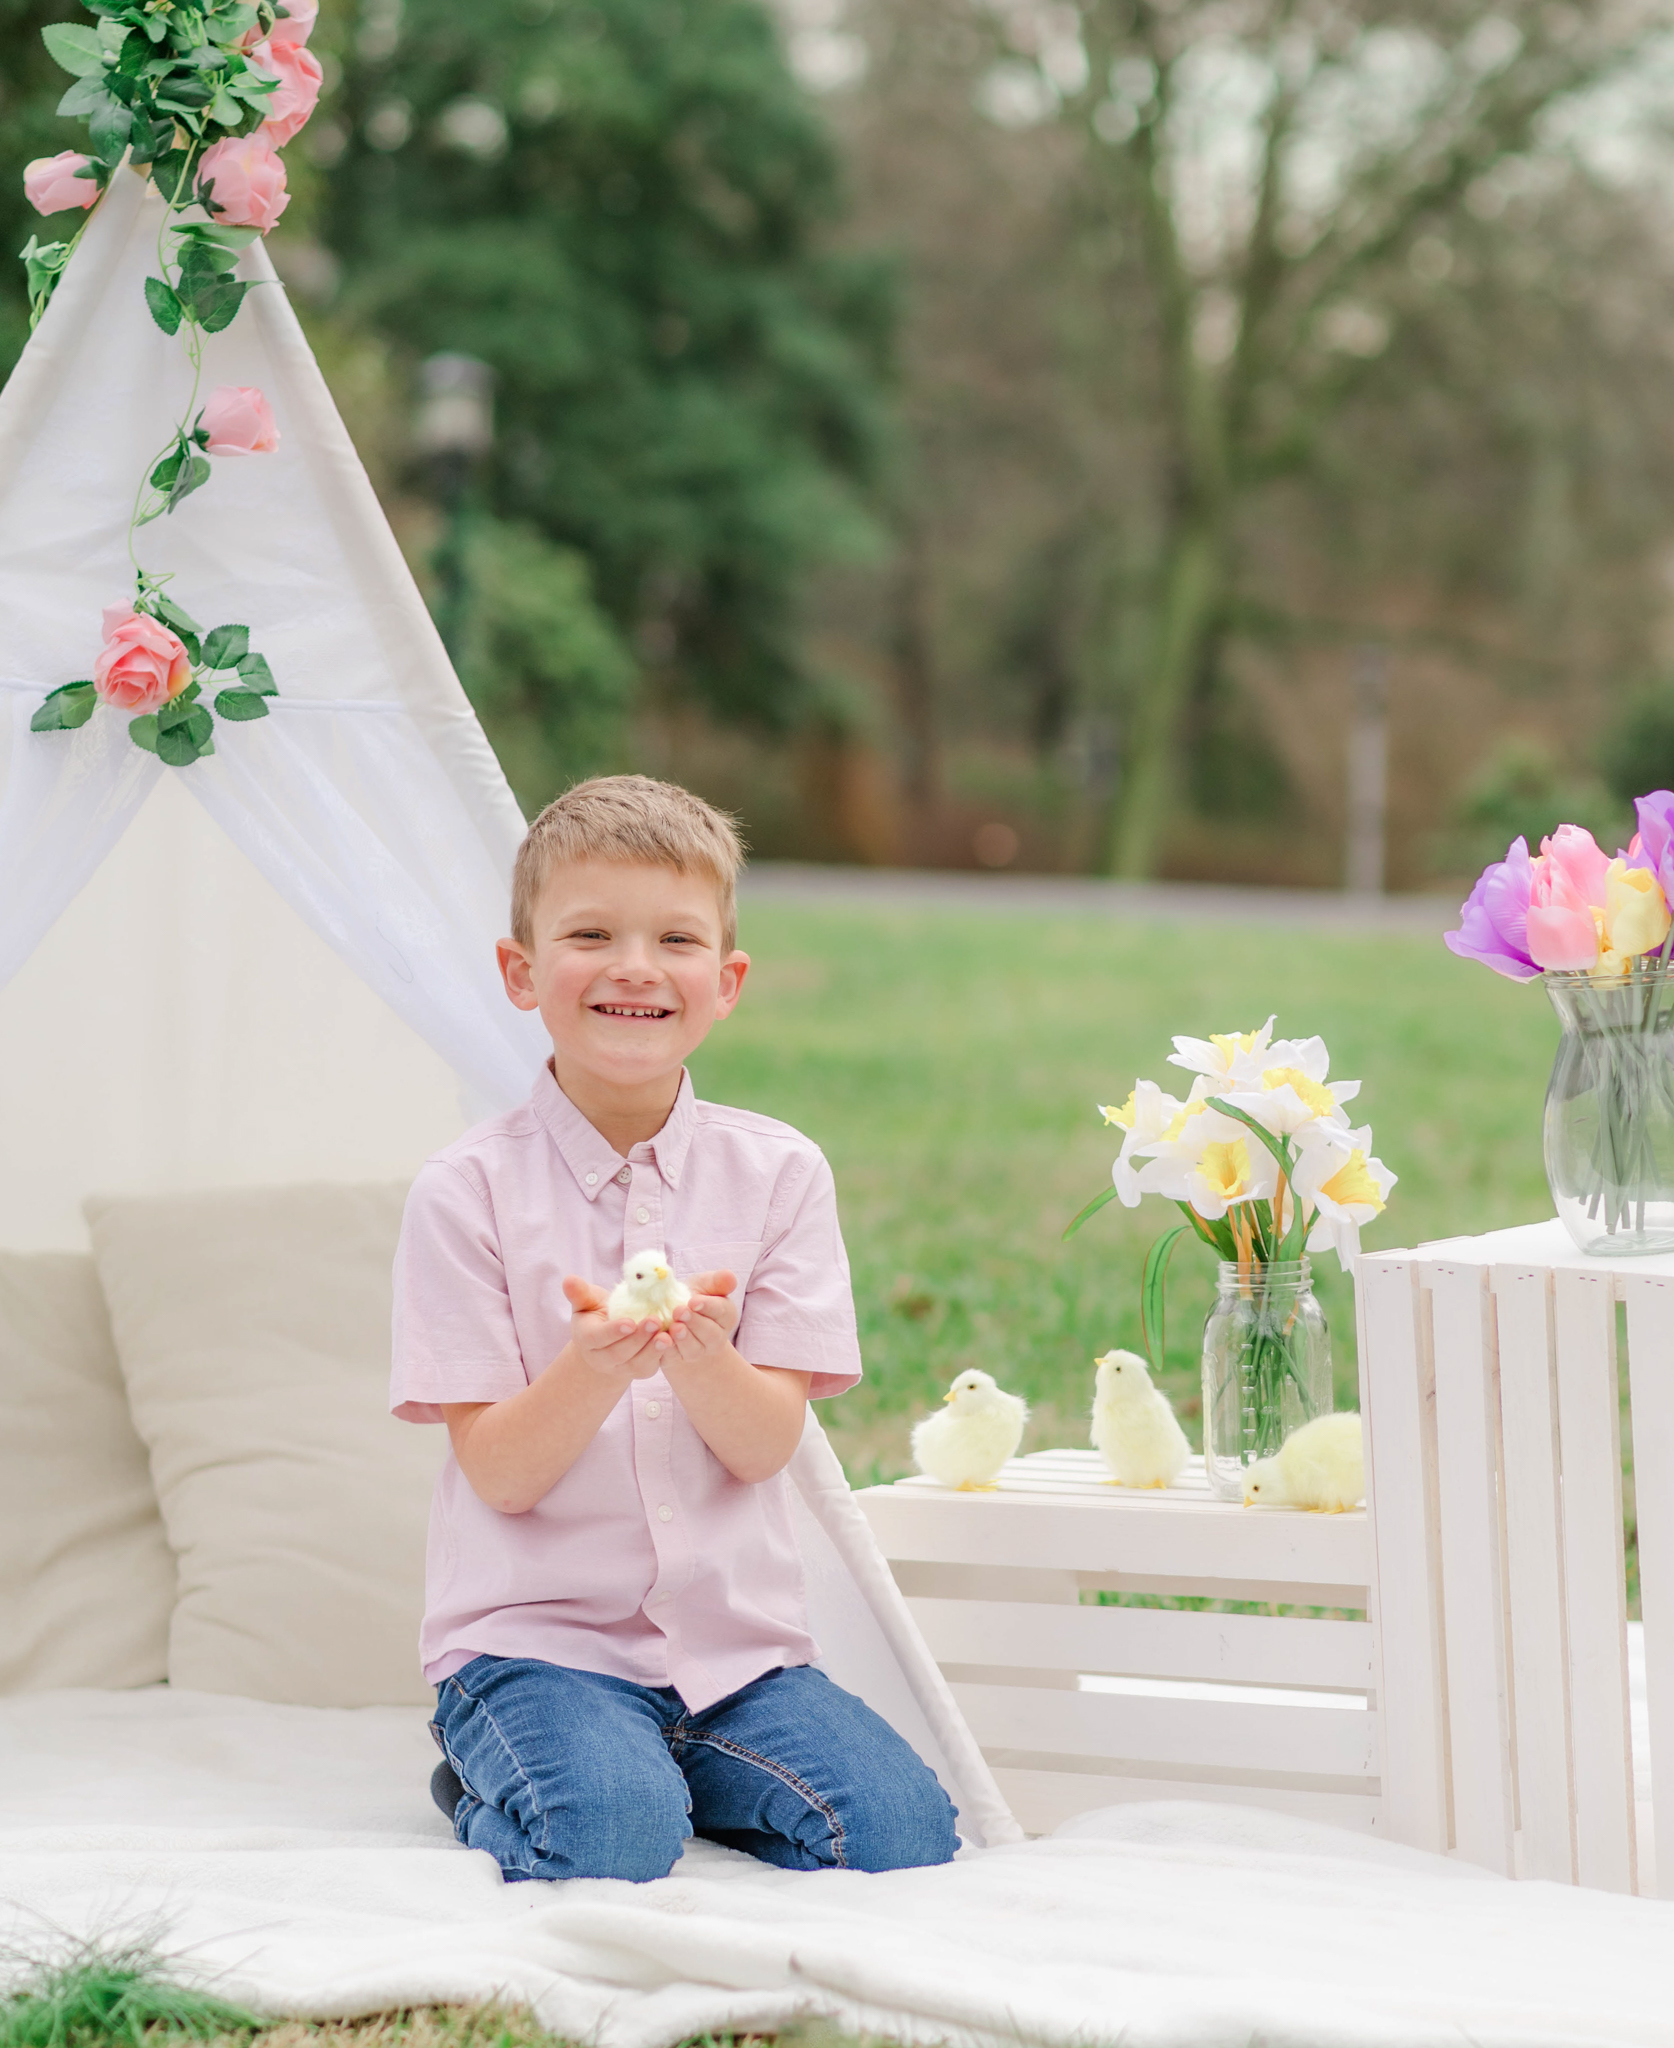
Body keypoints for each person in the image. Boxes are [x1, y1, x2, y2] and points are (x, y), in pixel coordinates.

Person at [389, 774, 960, 1882]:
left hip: (734, 1657)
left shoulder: (780, 1173)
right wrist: (592, 1366)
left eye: (676, 939)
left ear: (726, 979)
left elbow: (761, 1447)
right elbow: (499, 1472)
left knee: (902, 1830)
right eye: (590, 933)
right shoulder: (465, 1192)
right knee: (610, 1835)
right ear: (521, 971)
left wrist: (703, 1354)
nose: (635, 965)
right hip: (538, 1648)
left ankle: (671, 1765)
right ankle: (500, 1774)